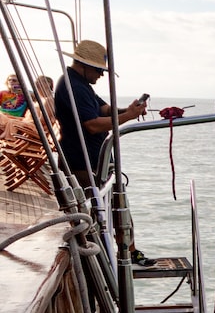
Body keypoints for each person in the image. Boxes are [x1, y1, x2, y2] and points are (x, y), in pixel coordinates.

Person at [54, 40, 155, 267]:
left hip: (94, 159)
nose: (101, 74)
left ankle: (129, 250)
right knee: (95, 210)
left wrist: (127, 110)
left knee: (117, 204)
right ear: (84, 65)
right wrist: (127, 117)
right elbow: (91, 124)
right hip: (82, 160)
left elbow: (103, 109)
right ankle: (107, 255)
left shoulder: (80, 84)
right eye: (99, 69)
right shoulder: (72, 86)